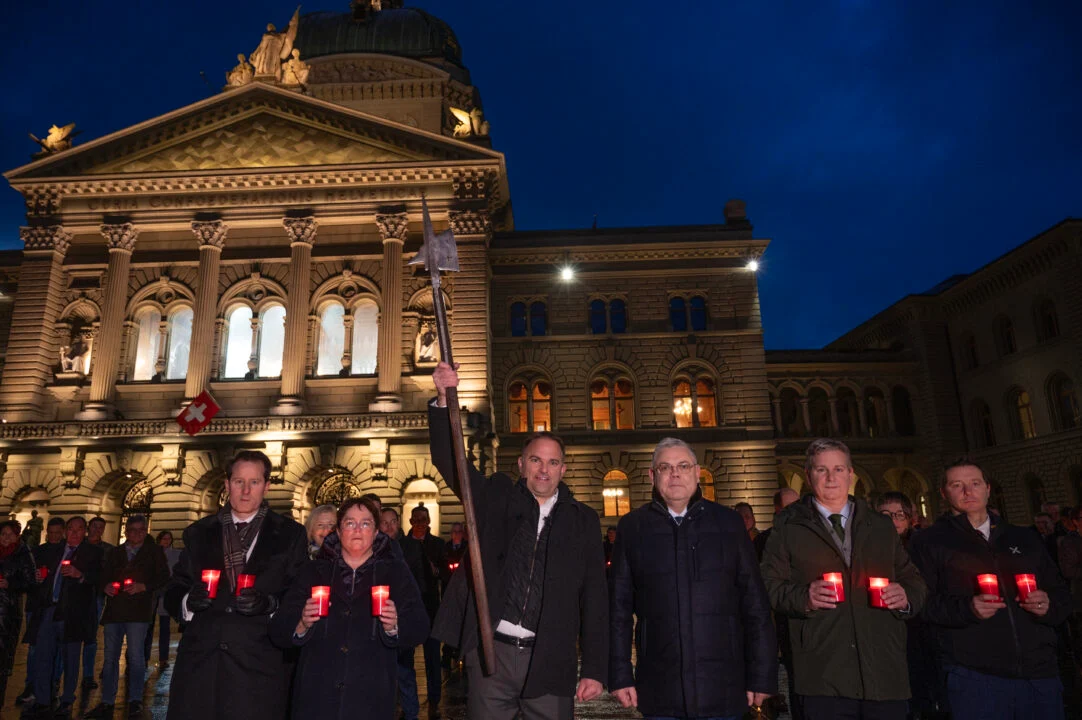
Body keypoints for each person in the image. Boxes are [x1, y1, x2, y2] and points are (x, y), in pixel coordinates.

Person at [429, 361, 607, 719]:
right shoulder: (496, 497)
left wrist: (594, 669)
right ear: (522, 464)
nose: (544, 469)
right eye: (536, 460)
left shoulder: (582, 520)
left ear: (563, 469)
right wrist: (441, 400)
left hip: (551, 658)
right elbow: (452, 463)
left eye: (553, 462)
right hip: (492, 656)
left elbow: (594, 597)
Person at [609, 438, 776, 719]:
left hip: (725, 684)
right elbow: (618, 609)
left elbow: (755, 606)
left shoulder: (729, 523)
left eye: (683, 466)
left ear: (697, 472)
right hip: (660, 686)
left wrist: (761, 675)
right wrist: (620, 673)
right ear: (652, 475)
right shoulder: (633, 527)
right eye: (665, 467)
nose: (675, 474)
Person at [761, 438, 927, 720]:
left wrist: (906, 597)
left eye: (838, 469)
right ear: (808, 473)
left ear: (851, 474)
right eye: (821, 470)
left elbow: (914, 581)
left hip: (884, 671)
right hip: (823, 672)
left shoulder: (880, 525)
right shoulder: (788, 526)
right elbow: (768, 586)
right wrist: (804, 597)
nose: (830, 477)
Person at [908, 459, 1071, 720]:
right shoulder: (928, 542)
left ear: (987, 488)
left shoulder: (1023, 537)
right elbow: (921, 603)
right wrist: (967, 609)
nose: (967, 491)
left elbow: (1061, 592)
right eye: (957, 485)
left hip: (1039, 674)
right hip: (975, 676)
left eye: (974, 484)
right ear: (943, 493)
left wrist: (1048, 605)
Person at [164, 450, 308, 720]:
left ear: (266, 486)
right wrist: (187, 601)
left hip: (259, 667)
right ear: (227, 484)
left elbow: (298, 594)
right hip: (201, 668)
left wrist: (271, 604)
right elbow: (173, 589)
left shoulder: (290, 535)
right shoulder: (198, 532)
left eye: (254, 482)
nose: (245, 490)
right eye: (239, 481)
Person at [270, 497, 430, 719]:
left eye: (365, 523)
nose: (357, 529)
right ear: (338, 530)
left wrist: (395, 626)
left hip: (369, 696)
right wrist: (301, 623)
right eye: (350, 523)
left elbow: (420, 627)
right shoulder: (314, 571)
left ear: (375, 533)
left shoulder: (395, 572)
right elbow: (278, 630)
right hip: (316, 697)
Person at [85, 515, 169, 719]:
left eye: (142, 530)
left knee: (136, 657)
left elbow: (164, 576)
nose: (137, 534)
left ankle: (135, 700)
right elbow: (104, 576)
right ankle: (107, 701)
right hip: (114, 610)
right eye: (133, 530)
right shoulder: (115, 552)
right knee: (110, 657)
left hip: (138, 611)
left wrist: (144, 586)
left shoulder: (154, 552)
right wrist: (105, 586)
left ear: (146, 531)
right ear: (126, 531)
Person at [25, 516, 104, 719]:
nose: (74, 533)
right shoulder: (55, 549)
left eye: (79, 529)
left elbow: (100, 577)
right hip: (49, 608)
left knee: (70, 657)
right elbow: (40, 572)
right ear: (66, 531)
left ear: (84, 531)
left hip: (73, 612)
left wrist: (81, 575)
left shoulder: (92, 552)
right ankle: (43, 699)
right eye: (70, 529)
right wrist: (38, 578)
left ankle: (67, 698)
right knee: (43, 654)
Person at [397, 505, 446, 720]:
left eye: (423, 519)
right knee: (406, 656)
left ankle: (435, 695)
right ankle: (408, 701)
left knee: (432, 654)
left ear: (428, 522)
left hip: (431, 605)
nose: (419, 522)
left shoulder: (437, 544)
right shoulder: (401, 545)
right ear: (410, 521)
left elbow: (446, 573)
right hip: (408, 607)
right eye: (415, 518)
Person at [17, 517, 65, 707]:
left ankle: (52, 684)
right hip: (37, 605)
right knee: (35, 648)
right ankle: (32, 685)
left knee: (57, 649)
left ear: (62, 532)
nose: (53, 536)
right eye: (50, 532)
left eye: (57, 533)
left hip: (56, 607)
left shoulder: (66, 551)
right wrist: (34, 577)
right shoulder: (37, 551)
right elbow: (26, 577)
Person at [0, 519, 37, 706]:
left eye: (10, 534)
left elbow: (31, 582)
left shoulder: (22, 554)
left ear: (17, 536)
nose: (6, 538)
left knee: (2, 660)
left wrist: (10, 584)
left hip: (6, 614)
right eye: (3, 534)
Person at [82, 516, 114, 692]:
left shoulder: (108, 550)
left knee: (91, 636)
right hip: (75, 595)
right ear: (89, 527)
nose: (97, 530)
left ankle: (88, 675)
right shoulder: (78, 545)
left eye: (101, 527)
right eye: (95, 526)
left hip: (96, 595)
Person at [145, 530, 182, 670]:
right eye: (164, 539)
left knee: (165, 629)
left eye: (169, 539)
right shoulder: (153, 554)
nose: (166, 541)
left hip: (167, 594)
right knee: (149, 627)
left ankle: (163, 658)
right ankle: (145, 656)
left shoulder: (176, 554)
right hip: (154, 593)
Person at [441, 522, 468, 668]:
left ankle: (459, 653)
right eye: (454, 532)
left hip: (463, 592)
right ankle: (446, 654)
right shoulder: (446, 548)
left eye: (459, 531)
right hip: (448, 590)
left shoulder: (466, 548)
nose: (457, 534)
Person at [754, 488, 798, 562]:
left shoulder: (809, 536)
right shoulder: (763, 542)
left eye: (798, 505)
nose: (796, 510)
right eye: (790, 506)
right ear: (778, 509)